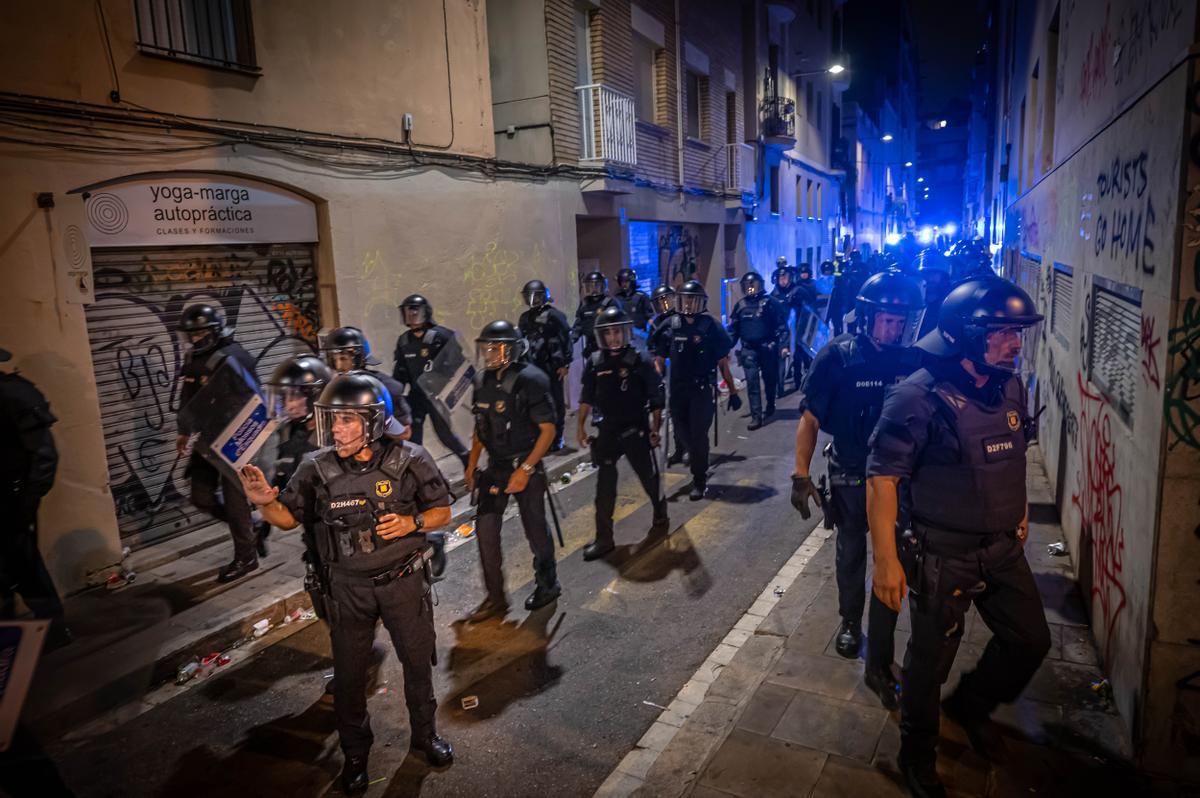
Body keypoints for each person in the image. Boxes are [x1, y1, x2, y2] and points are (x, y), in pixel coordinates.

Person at [866, 275, 1050, 798]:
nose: (1016, 343)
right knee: (928, 664)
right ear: (966, 334)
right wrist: (885, 561)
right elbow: (882, 480)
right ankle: (916, 755)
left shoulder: (1008, 384)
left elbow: (1013, 455)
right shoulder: (917, 395)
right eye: (1004, 332)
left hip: (1001, 547)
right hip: (943, 553)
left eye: (1019, 331)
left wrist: (1018, 514)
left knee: (1031, 639)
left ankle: (970, 706)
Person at [238, 372, 455, 791]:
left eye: (346, 420)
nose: (335, 430)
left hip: (403, 583)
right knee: (351, 678)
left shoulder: (411, 458)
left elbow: (443, 511)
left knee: (416, 664)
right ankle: (356, 756)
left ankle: (426, 737)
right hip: (347, 590)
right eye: (332, 420)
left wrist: (413, 522)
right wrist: (265, 501)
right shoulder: (315, 468)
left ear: (373, 422)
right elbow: (286, 519)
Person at [790, 272, 925, 710]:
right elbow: (810, 419)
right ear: (867, 318)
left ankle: (883, 646)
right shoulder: (837, 358)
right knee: (851, 552)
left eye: (899, 322)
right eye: (886, 320)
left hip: (897, 479)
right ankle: (850, 621)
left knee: (895, 554)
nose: (893, 330)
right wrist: (800, 473)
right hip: (850, 472)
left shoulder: (912, 361)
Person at [464, 320, 560, 622]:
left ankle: (548, 583)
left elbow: (548, 430)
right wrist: (471, 464)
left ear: (512, 349)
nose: (489, 353)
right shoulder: (481, 381)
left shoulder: (531, 380)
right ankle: (495, 598)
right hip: (495, 467)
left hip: (524, 466)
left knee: (535, 528)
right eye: (486, 348)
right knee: (486, 532)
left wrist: (527, 469)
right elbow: (480, 428)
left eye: (496, 348)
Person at [175, 303, 262, 582]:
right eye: (191, 335)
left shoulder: (234, 357)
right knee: (200, 495)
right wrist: (184, 430)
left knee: (236, 499)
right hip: (208, 436)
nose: (195, 339)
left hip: (235, 436)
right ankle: (254, 525)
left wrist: (244, 439)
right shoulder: (194, 357)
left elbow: (254, 399)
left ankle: (246, 557)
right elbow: (188, 393)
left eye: (200, 333)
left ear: (213, 331)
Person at [577, 307, 669, 561]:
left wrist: (655, 428)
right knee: (604, 489)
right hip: (607, 431)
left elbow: (656, 397)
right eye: (607, 333)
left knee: (648, 478)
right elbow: (586, 397)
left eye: (617, 331)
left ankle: (660, 512)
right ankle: (604, 540)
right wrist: (580, 426)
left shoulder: (640, 360)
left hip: (635, 429)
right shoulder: (596, 363)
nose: (613, 338)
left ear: (625, 332)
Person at [0, 349, 70, 648]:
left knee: (25, 569)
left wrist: (26, 504)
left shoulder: (15, 394)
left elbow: (44, 456)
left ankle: (54, 631)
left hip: (10, 500)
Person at [260, 354, 333, 625]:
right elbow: (283, 489)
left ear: (314, 396)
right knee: (325, 606)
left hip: (350, 531)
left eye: (295, 397)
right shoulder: (290, 435)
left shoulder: (340, 431)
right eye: (285, 398)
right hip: (316, 537)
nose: (288, 405)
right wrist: (264, 519)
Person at [654, 280, 739, 500]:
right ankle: (697, 458)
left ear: (700, 302)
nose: (689, 304)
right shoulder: (670, 324)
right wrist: (657, 383)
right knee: (683, 433)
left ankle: (699, 480)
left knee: (698, 434)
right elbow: (659, 357)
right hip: (677, 389)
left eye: (692, 299)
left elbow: (722, 361)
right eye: (685, 299)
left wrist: (732, 391)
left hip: (701, 389)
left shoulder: (710, 326)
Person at [391, 296, 470, 468]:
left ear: (425, 312)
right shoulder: (404, 340)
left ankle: (467, 460)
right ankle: (416, 471)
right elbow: (400, 372)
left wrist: (449, 389)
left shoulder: (442, 335)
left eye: (415, 310)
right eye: (407, 311)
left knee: (445, 434)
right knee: (413, 436)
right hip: (416, 395)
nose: (411, 314)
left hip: (436, 395)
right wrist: (394, 395)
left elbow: (458, 365)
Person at [323, 326, 413, 440]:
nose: (339, 366)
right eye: (334, 360)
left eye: (343, 358)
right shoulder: (332, 389)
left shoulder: (383, 387)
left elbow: (405, 433)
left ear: (358, 357)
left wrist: (371, 425)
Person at [727, 271, 789, 430]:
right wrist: (724, 348)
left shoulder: (770, 303)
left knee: (770, 379)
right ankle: (756, 416)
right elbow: (733, 330)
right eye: (747, 285)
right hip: (749, 350)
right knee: (752, 382)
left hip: (767, 347)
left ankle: (770, 403)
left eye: (753, 284)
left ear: (759, 285)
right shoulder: (740, 306)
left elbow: (782, 326)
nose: (750, 288)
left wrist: (784, 345)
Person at [518, 280, 572, 450]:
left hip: (552, 366)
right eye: (529, 297)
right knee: (536, 402)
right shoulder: (525, 318)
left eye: (536, 296)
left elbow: (566, 338)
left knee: (555, 402)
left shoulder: (555, 315)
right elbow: (521, 342)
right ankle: (539, 437)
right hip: (533, 367)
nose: (532, 300)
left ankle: (558, 437)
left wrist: (566, 363)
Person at [571, 271, 621, 359]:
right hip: (591, 346)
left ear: (603, 286)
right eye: (590, 286)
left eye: (596, 286)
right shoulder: (584, 304)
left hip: (608, 346)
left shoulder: (610, 303)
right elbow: (578, 325)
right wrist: (571, 339)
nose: (594, 289)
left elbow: (618, 324)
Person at [828, 253, 871, 336]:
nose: (854, 260)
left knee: (860, 317)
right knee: (850, 318)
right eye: (853, 258)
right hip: (848, 296)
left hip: (859, 296)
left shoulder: (863, 267)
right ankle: (850, 334)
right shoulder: (847, 266)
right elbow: (840, 277)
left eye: (856, 258)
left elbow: (866, 279)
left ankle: (860, 333)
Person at [915, 249, 954, 338]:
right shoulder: (915, 299)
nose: (930, 278)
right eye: (926, 273)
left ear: (943, 276)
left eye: (935, 273)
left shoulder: (950, 300)